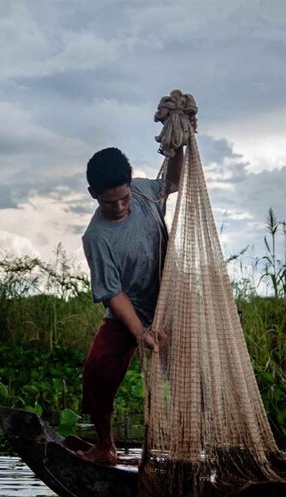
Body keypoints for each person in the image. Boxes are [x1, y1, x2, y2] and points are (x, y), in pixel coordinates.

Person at [77, 140, 187, 466]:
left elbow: (175, 181)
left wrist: (177, 147)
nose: (121, 206)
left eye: (124, 197)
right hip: (131, 309)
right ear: (92, 194)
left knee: (188, 378)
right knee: (97, 371)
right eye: (110, 202)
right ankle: (104, 446)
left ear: (130, 185)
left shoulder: (142, 191)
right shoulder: (96, 237)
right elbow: (113, 293)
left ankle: (190, 448)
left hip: (172, 301)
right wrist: (140, 333)